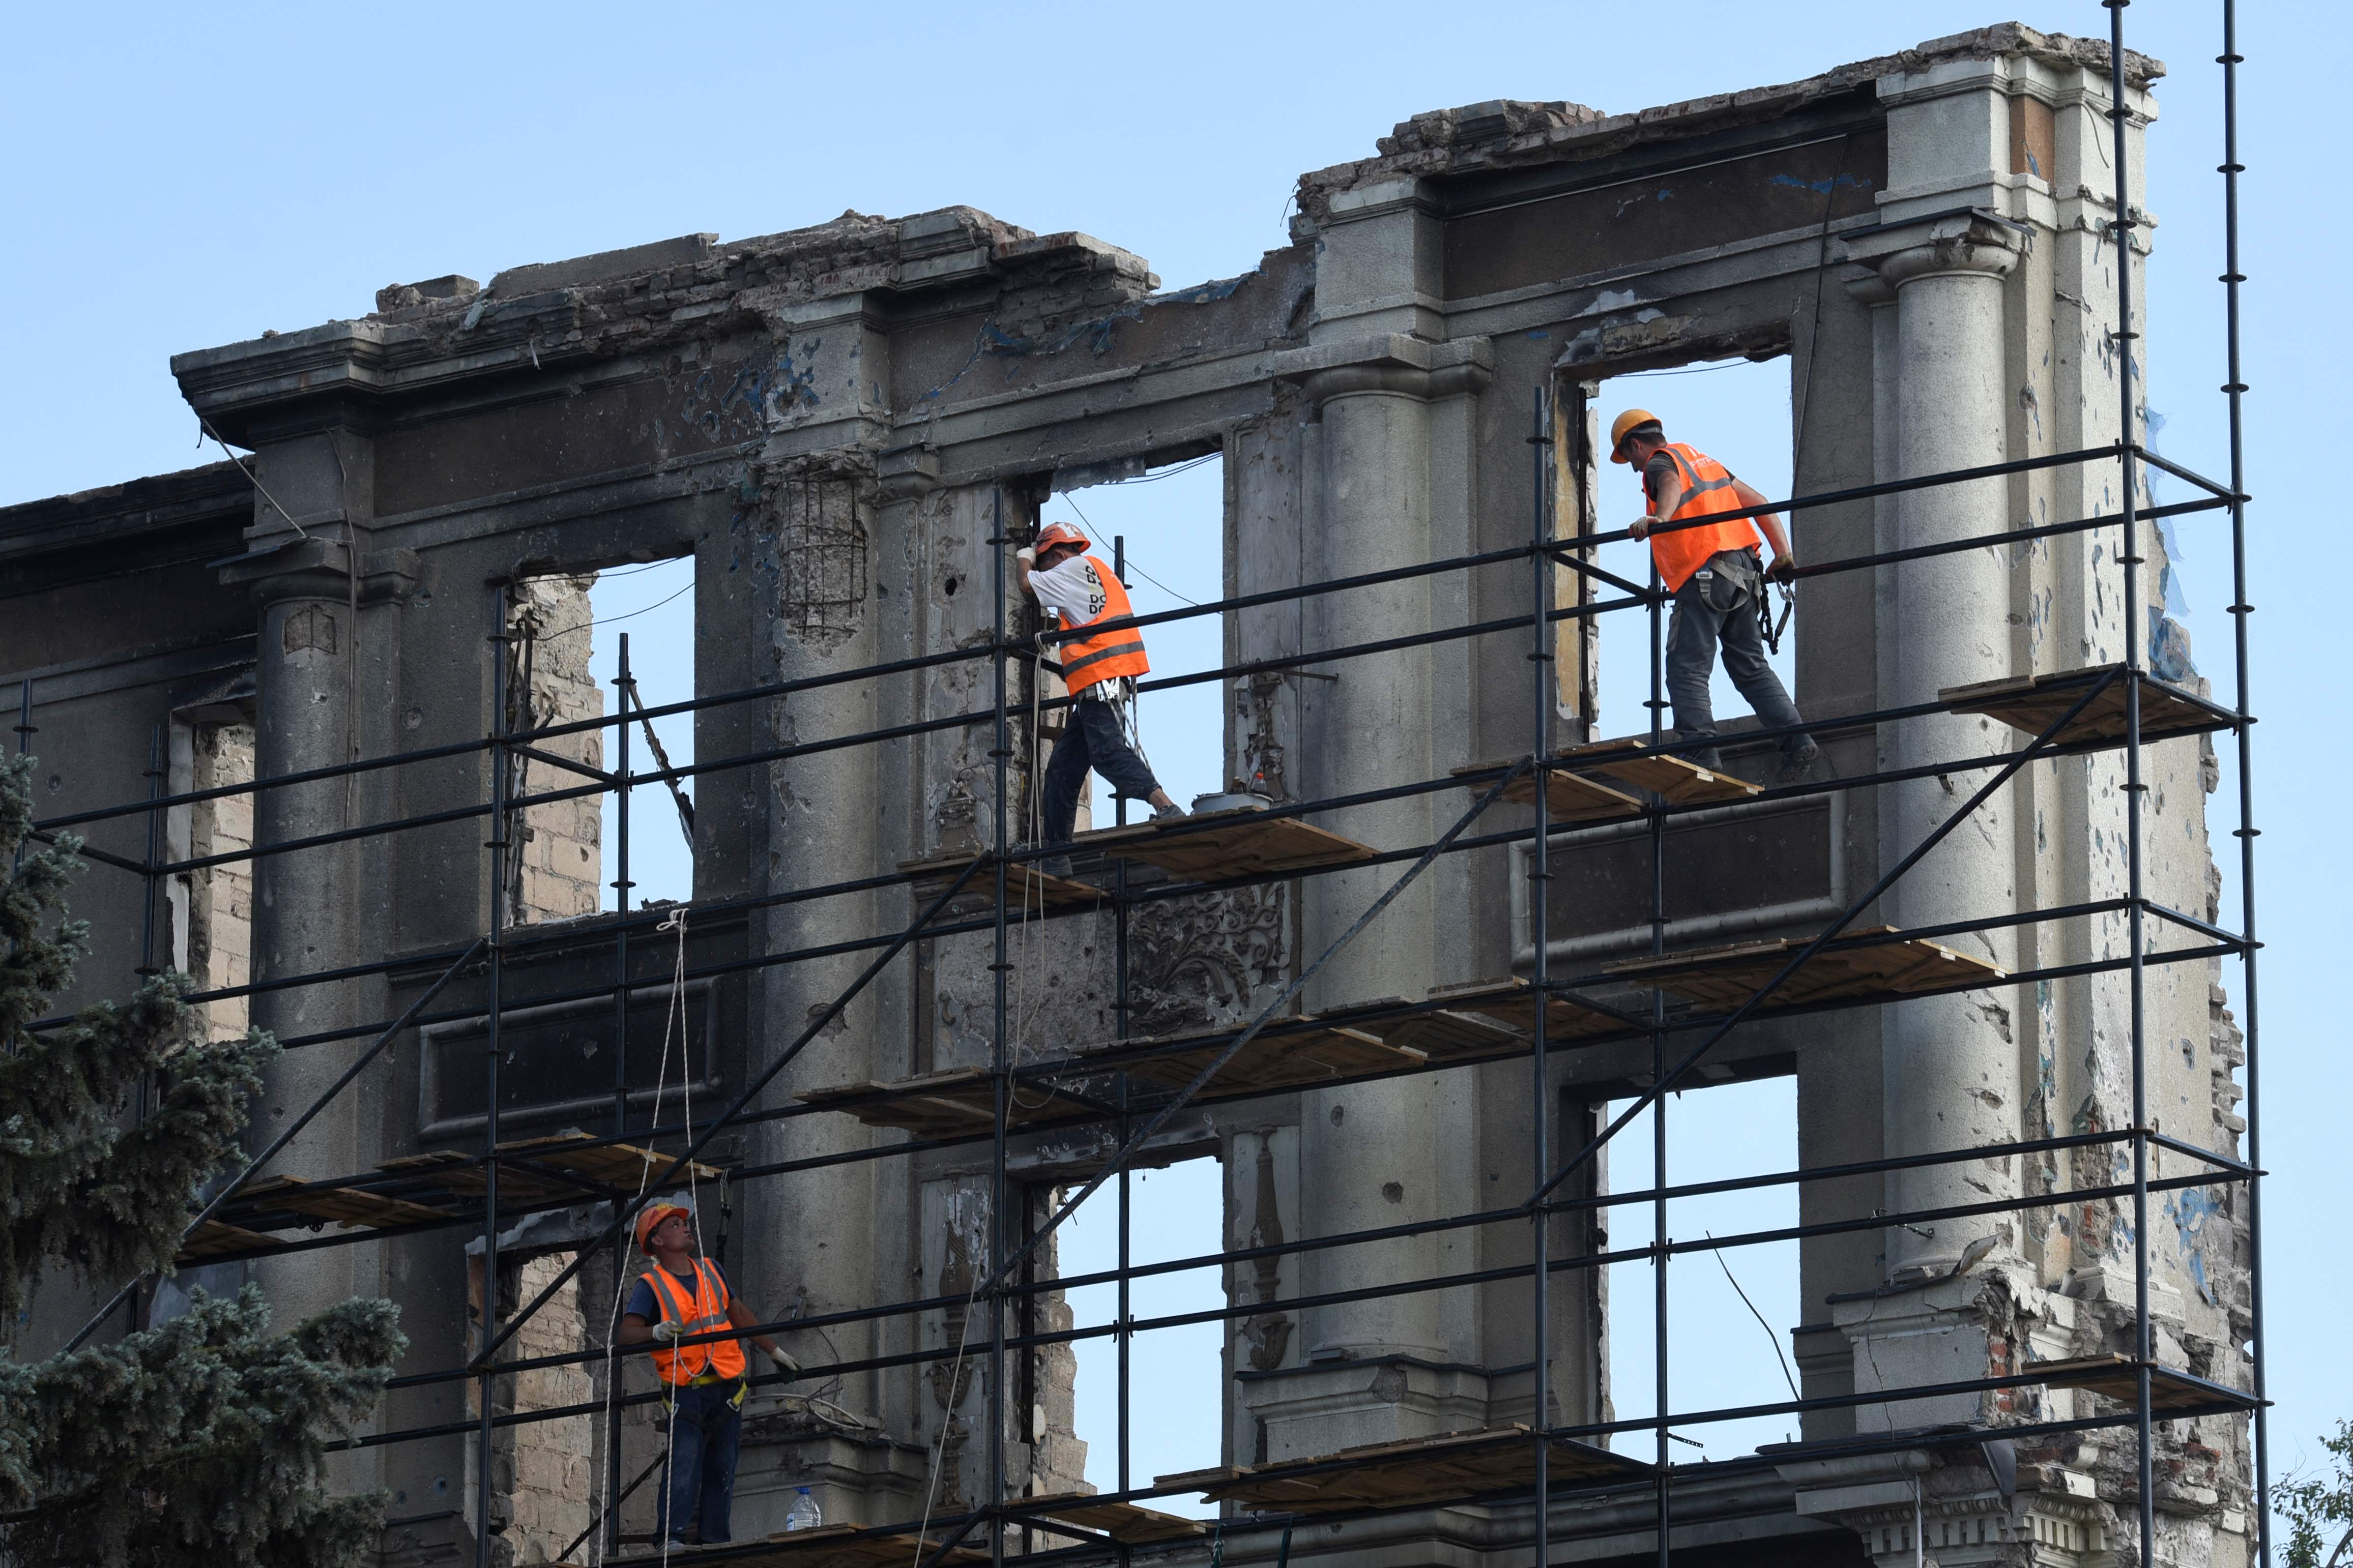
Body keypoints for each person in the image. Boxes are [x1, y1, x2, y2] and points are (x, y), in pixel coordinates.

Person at [1612, 408, 1819, 784]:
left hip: (1704, 573)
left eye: (1629, 458)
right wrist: (1782, 553)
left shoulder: (1659, 463)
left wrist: (1661, 517)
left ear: (1636, 445)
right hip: (1744, 574)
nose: (1632, 468)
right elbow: (1759, 501)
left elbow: (1670, 484)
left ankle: (1700, 755)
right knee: (1749, 667)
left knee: (1686, 666)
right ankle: (1796, 741)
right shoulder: (1705, 462)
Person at [617, 1203, 799, 1548]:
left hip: (728, 1385)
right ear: (656, 1240)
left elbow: (739, 1312)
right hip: (688, 1388)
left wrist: (774, 1351)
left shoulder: (711, 1270)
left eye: (684, 1223)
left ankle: (714, 1541)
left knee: (723, 1468)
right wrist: (654, 1331)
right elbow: (626, 1334)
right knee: (684, 1463)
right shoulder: (651, 1284)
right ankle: (669, 1539)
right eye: (674, 1224)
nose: (686, 1228)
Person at [1015, 521, 1184, 862]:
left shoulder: (1068, 569)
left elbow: (1025, 584)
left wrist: (1025, 556)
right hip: (1104, 683)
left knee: (1106, 754)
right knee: (1062, 769)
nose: (1045, 571)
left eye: (1046, 562)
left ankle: (1165, 806)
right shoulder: (1098, 570)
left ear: (1059, 555)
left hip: (1099, 681)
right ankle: (1057, 856)